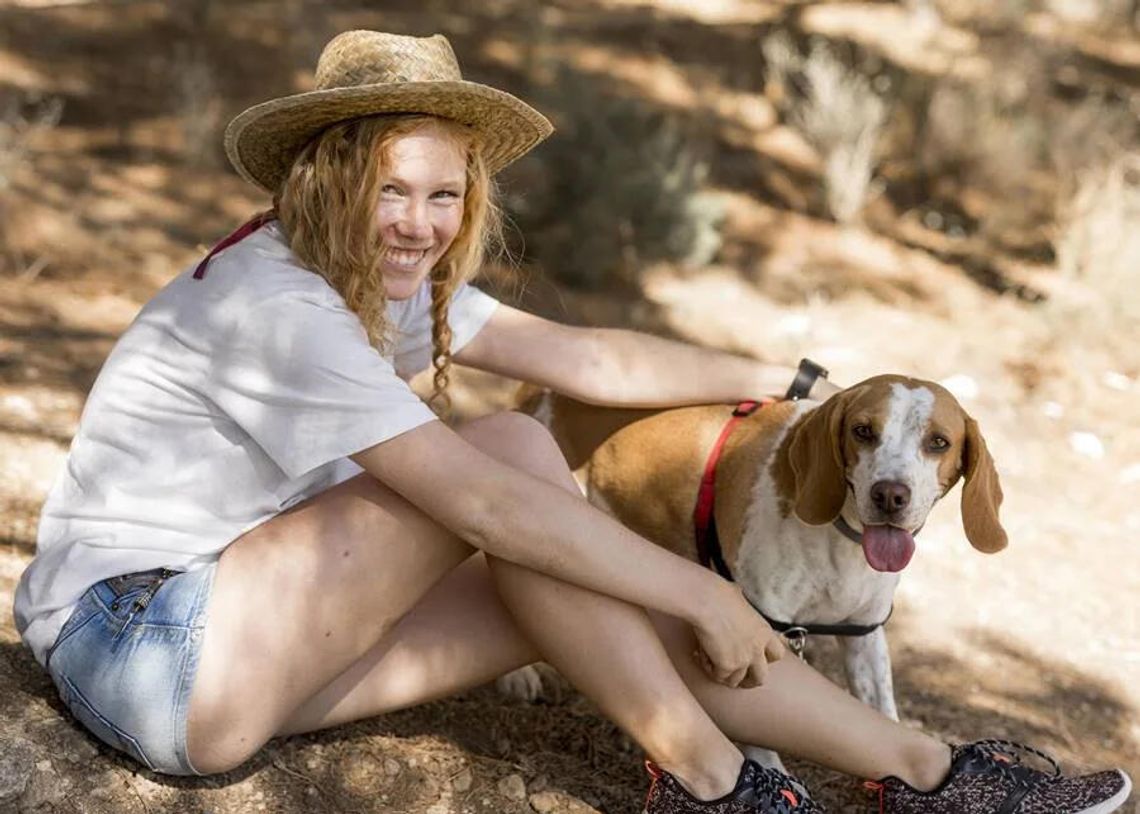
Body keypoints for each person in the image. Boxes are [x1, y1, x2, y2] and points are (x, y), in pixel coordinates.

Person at [12, 30, 1131, 814]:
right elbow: (486, 496)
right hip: (141, 643)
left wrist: (789, 382)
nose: (418, 221)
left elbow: (585, 356)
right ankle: (710, 774)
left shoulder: (382, 279)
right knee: (512, 459)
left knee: (572, 576)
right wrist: (701, 586)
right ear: (326, 175)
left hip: (248, 659)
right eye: (390, 189)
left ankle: (924, 767)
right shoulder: (278, 304)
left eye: (444, 195)